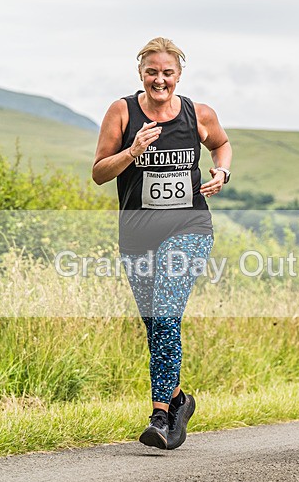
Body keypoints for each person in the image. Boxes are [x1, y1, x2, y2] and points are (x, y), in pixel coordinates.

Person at [92, 37, 232, 450]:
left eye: (167, 72)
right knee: (156, 326)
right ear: (140, 73)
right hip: (137, 238)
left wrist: (222, 172)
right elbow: (100, 172)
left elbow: (221, 145)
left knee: (167, 315)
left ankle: (160, 416)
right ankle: (180, 401)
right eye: (151, 72)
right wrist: (132, 151)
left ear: (179, 75)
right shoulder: (122, 112)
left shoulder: (198, 114)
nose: (159, 80)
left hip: (189, 229)